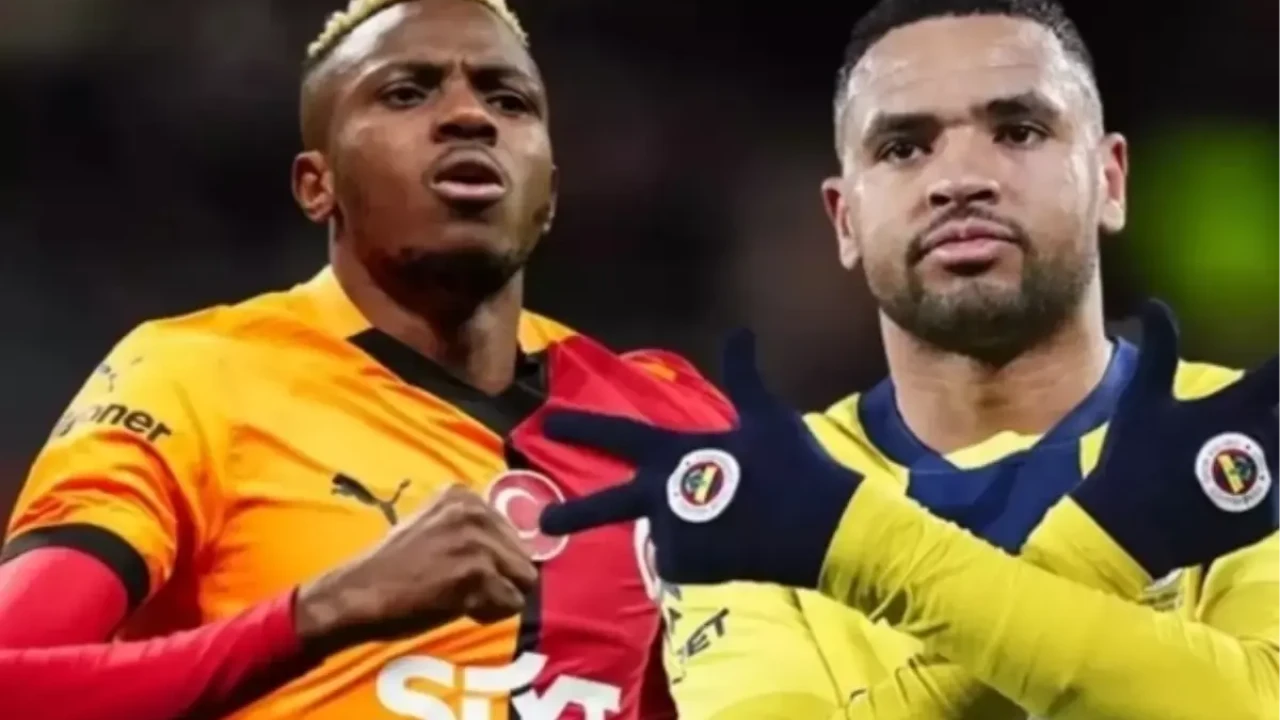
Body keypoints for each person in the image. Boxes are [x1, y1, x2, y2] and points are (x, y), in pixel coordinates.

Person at [537, 0, 1280, 718]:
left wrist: (851, 544)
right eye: (903, 148)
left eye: (1018, 131)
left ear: (1110, 181)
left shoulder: (1250, 434)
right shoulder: (757, 491)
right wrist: (1107, 547)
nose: (959, 180)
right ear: (845, 220)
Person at [0, 0, 731, 717]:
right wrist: (318, 612)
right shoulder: (199, 378)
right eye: (406, 92)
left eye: (508, 100)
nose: (469, 116)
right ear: (318, 186)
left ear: (550, 195)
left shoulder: (674, 424)